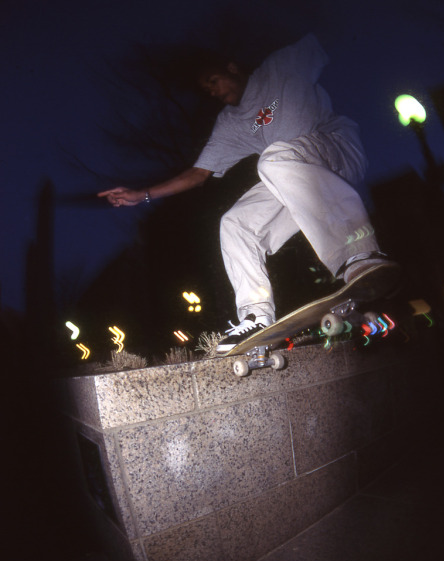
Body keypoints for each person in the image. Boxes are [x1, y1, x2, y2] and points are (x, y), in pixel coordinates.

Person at [98, 34, 399, 352]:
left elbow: (326, 38)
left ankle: (359, 255)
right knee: (235, 223)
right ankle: (256, 315)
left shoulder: (282, 66)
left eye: (213, 80)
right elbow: (198, 174)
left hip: (335, 146)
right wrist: (142, 195)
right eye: (207, 89)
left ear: (232, 68)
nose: (213, 91)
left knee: (273, 159)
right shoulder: (231, 124)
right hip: (292, 178)